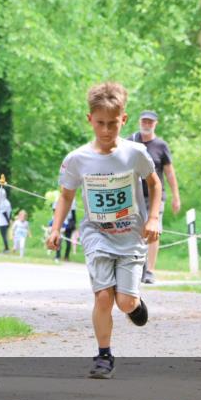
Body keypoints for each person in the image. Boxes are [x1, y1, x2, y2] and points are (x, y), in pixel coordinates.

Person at [47, 82, 161, 380]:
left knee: (125, 302)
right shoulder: (77, 159)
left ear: (123, 120)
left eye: (113, 123)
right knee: (102, 298)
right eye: (100, 123)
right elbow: (66, 196)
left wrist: (153, 219)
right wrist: (55, 228)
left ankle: (134, 303)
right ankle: (103, 355)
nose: (107, 130)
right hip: (96, 234)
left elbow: (154, 184)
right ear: (90, 120)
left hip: (131, 236)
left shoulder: (135, 154)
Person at [128, 110, 181, 284]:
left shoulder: (161, 146)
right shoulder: (130, 142)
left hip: (155, 196)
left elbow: (170, 173)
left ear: (155, 124)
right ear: (139, 121)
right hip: (133, 196)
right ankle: (136, 266)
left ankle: (149, 270)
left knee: (154, 231)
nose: (147, 124)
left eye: (150, 122)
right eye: (144, 121)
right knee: (134, 232)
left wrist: (176, 196)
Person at [0, 188, 12, 253]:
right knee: (5, 235)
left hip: (3, 222)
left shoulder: (2, 203)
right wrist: (9, 220)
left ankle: (6, 248)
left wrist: (8, 221)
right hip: (4, 221)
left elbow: (4, 212)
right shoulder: (7, 202)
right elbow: (10, 212)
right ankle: (6, 248)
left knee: (4, 235)